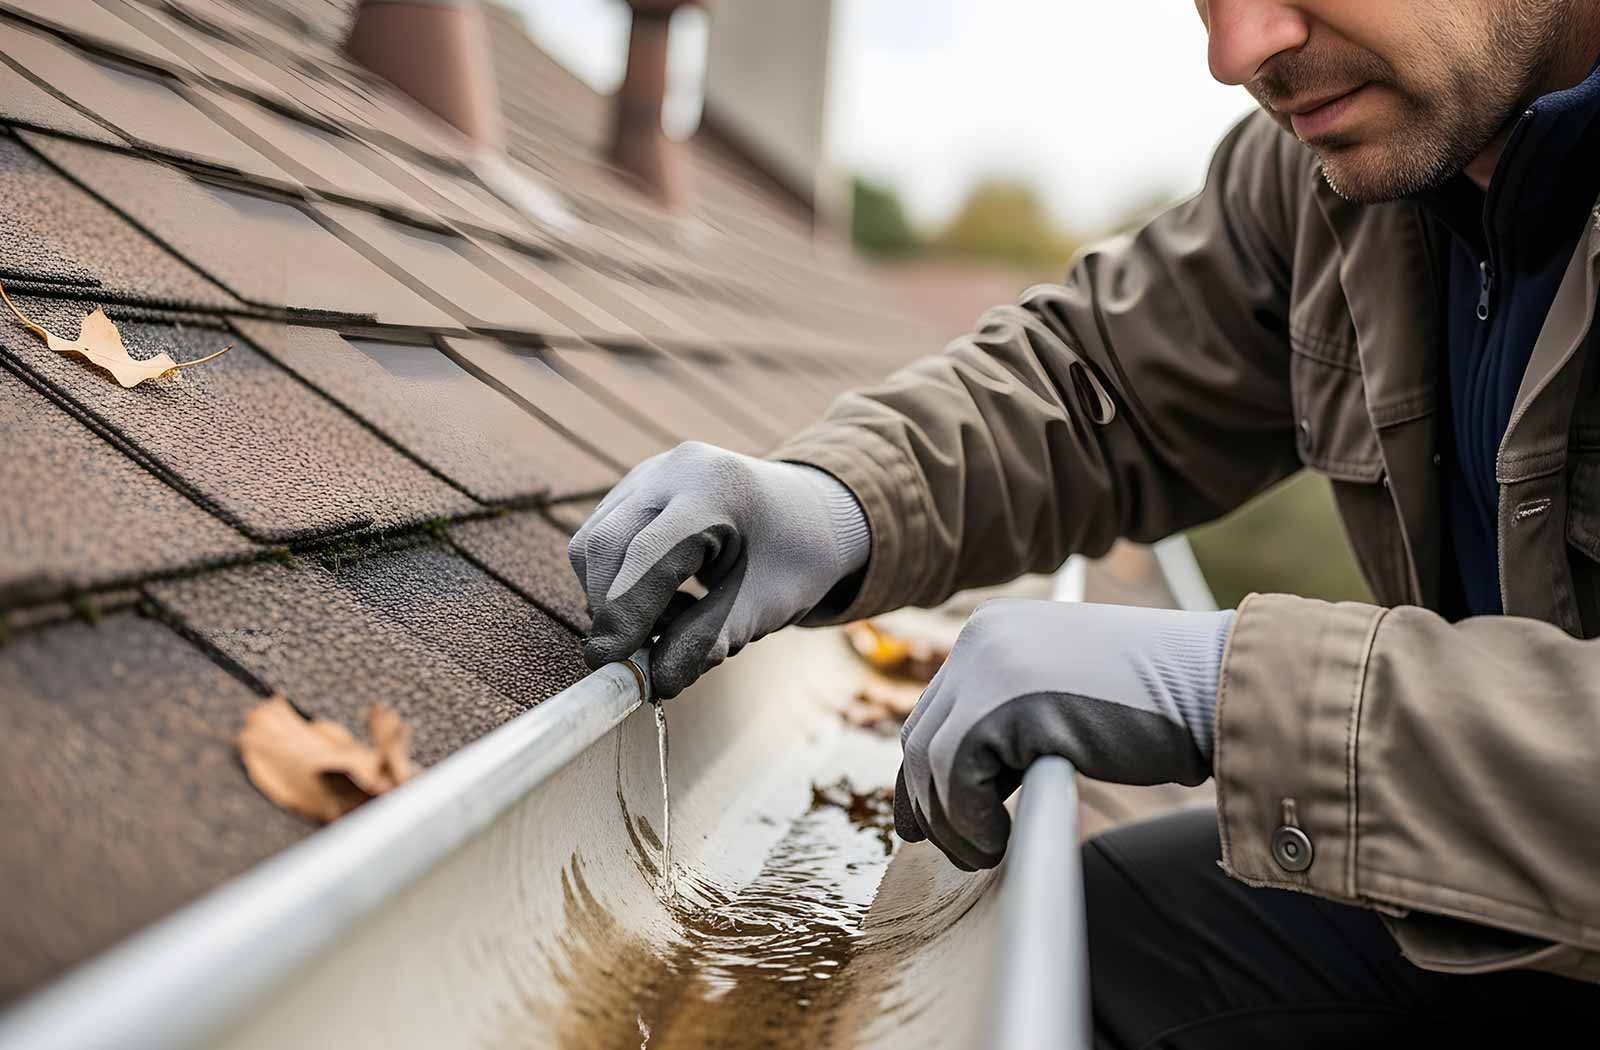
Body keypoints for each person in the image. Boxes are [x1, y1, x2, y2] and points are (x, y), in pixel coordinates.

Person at [568, 1, 1600, 1044]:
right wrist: (838, 499)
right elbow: (1102, 383)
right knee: (1061, 960)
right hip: (1522, 905)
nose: (1234, 52)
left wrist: (1226, 691)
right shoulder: (1339, 172)